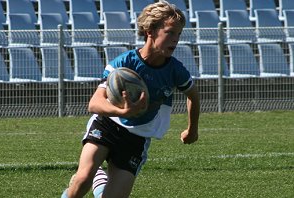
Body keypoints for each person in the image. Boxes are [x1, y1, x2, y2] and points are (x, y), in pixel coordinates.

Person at [61, 1, 200, 197]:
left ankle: (100, 180)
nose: (175, 39)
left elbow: (193, 95)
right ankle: (93, 176)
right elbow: (94, 103)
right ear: (150, 31)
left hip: (137, 137)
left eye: (178, 34)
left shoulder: (175, 70)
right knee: (82, 180)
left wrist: (192, 130)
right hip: (108, 124)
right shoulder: (124, 63)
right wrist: (122, 111)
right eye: (170, 32)